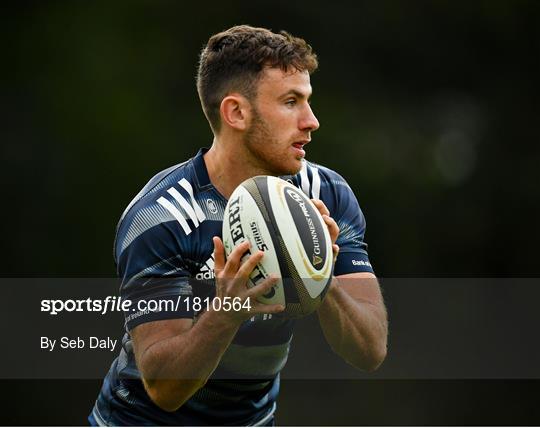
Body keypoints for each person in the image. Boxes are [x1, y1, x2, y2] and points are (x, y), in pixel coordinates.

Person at [89, 25, 388, 426]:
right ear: (236, 113)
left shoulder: (324, 194)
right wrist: (228, 308)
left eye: (308, 101)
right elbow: (163, 389)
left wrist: (319, 276)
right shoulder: (163, 214)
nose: (311, 120)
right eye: (290, 102)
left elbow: (370, 350)